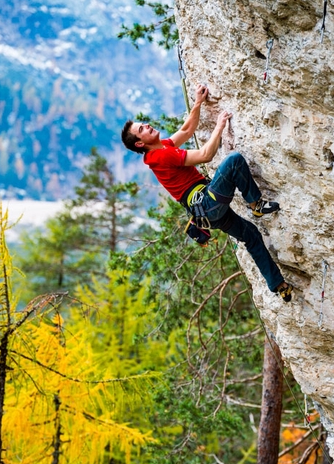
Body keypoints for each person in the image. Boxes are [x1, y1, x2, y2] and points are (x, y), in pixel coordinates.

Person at [121, 84, 293, 302]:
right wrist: (219, 126)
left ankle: (279, 285)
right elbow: (204, 155)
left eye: (143, 124)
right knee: (234, 161)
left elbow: (186, 130)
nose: (146, 125)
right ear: (140, 142)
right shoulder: (161, 157)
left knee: (250, 235)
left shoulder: (160, 149)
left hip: (206, 212)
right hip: (207, 203)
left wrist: (198, 103)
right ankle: (256, 204)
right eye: (141, 129)